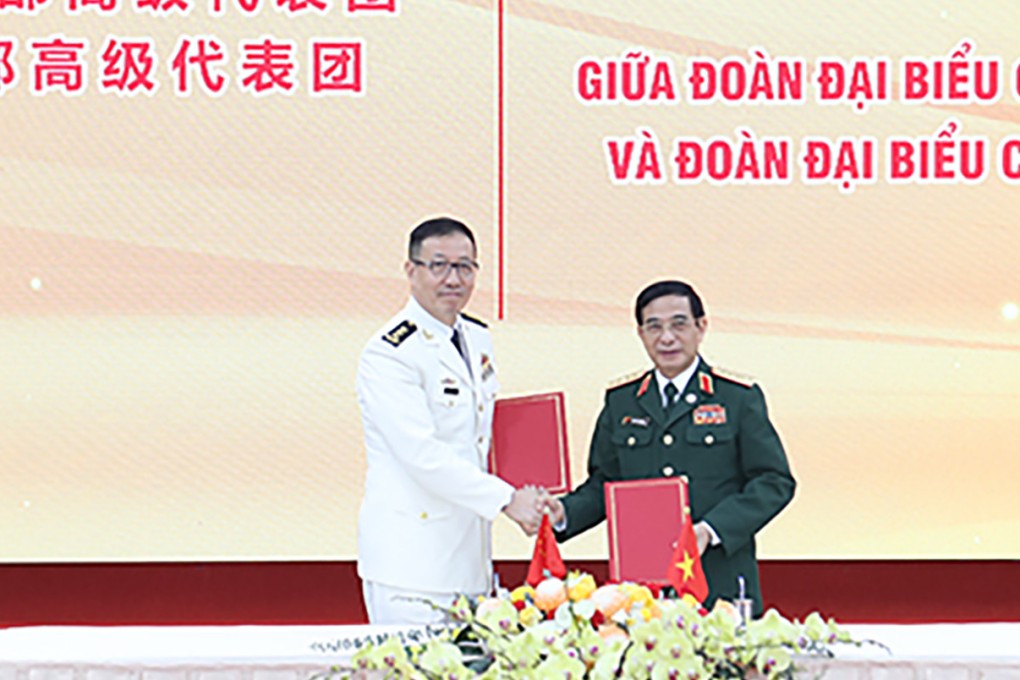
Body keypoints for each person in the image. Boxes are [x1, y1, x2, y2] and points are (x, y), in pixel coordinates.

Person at [544, 280, 795, 615]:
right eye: (654, 327)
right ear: (640, 333)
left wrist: (710, 530)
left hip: (718, 581)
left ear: (701, 327)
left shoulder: (737, 397)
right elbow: (605, 483)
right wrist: (563, 513)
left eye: (679, 324)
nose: (667, 338)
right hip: (640, 590)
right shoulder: (622, 402)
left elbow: (774, 481)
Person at [356, 216, 543, 625]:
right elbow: (421, 454)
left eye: (464, 266)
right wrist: (508, 499)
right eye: (438, 265)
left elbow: (481, 436)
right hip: (411, 566)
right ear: (411, 270)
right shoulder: (390, 353)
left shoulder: (475, 337)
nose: (453, 279)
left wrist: (535, 484)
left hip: (470, 558)